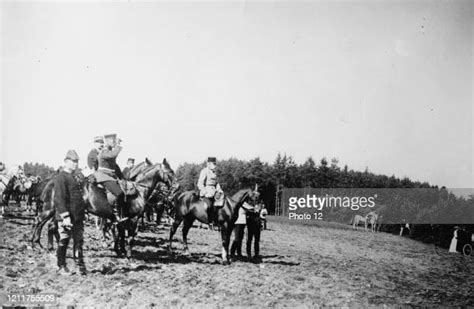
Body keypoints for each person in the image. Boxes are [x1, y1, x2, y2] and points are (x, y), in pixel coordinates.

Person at [53, 150, 87, 275]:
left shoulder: (75, 177)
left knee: (78, 241)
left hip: (77, 216)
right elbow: (59, 199)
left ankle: (79, 266)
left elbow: (78, 197)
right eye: (73, 162)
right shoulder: (61, 177)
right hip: (66, 217)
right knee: (64, 240)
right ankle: (61, 266)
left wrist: (83, 212)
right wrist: (65, 216)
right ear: (66, 162)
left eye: (77, 162)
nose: (75, 164)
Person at [94, 134, 126, 223]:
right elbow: (113, 155)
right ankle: (115, 214)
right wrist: (118, 145)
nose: (114, 143)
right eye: (113, 141)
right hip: (104, 176)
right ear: (107, 141)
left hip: (110, 176)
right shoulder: (104, 152)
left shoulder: (108, 151)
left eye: (114, 141)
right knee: (119, 193)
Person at [197, 157, 223, 223]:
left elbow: (216, 183)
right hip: (206, 192)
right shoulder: (204, 171)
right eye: (213, 164)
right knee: (209, 205)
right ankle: (209, 221)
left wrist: (219, 190)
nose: (215, 165)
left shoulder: (214, 172)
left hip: (214, 191)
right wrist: (205, 192)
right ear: (208, 164)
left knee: (221, 203)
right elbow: (200, 183)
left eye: (215, 164)